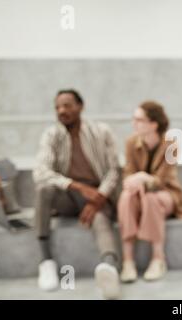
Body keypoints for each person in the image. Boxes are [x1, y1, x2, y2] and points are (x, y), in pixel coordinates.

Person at [33, 89, 121, 299]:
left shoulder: (101, 131)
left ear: (80, 106)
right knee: (44, 189)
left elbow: (114, 170)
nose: (61, 111)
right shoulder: (52, 135)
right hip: (67, 196)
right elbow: (41, 172)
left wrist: (98, 197)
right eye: (57, 107)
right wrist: (76, 186)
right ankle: (46, 262)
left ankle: (108, 269)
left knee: (100, 219)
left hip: (98, 193)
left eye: (67, 105)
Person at [117, 100, 182, 283]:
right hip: (138, 193)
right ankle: (128, 260)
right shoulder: (131, 142)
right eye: (134, 119)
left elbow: (163, 179)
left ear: (153, 124)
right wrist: (135, 180)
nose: (134, 123)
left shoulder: (170, 144)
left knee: (151, 199)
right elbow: (128, 174)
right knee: (125, 197)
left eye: (139, 119)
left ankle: (158, 258)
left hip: (167, 195)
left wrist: (144, 179)